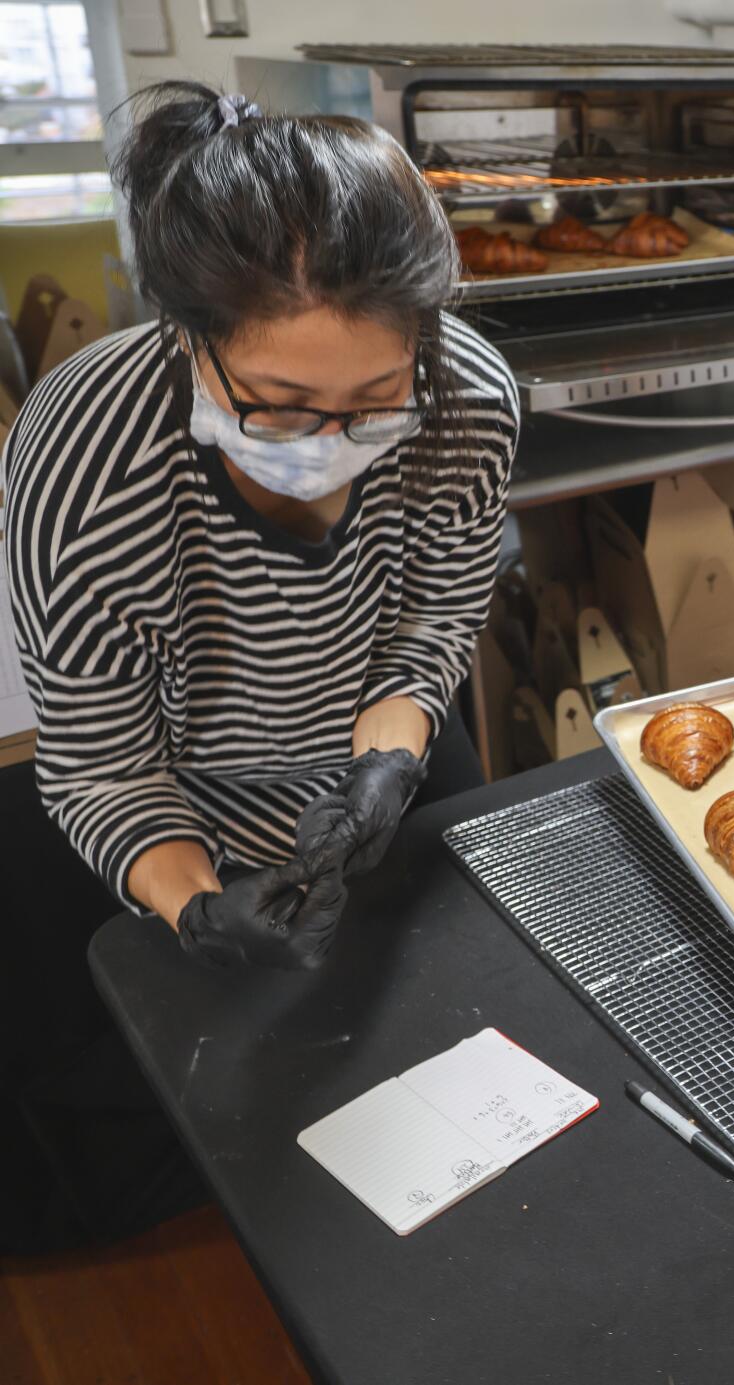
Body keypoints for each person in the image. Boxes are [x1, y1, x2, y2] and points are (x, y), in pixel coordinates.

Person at [2, 82, 518, 1248]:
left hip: (365, 774)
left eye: (374, 402)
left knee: (440, 1105)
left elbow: (431, 621)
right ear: (187, 337)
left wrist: (387, 760)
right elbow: (98, 764)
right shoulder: (92, 462)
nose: (332, 447)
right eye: (281, 407)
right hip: (186, 804)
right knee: (250, 1143)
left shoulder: (468, 402)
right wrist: (197, 906)